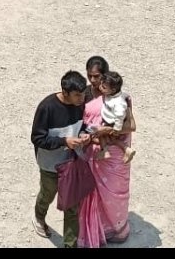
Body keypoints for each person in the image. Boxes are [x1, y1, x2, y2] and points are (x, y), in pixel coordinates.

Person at [78, 59, 135, 248]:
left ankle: (116, 229)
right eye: (90, 76)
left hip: (114, 156)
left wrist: (106, 131)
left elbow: (131, 125)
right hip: (92, 149)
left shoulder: (120, 98)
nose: (93, 80)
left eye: (98, 76)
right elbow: (79, 124)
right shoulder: (84, 94)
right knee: (92, 193)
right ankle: (95, 228)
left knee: (115, 192)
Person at [30, 70, 89, 248]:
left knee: (72, 206)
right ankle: (39, 217)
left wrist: (84, 134)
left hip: (72, 163)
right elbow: (37, 138)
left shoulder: (80, 104)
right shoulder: (47, 108)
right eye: (77, 95)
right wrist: (64, 141)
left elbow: (83, 125)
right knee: (48, 194)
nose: (81, 99)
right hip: (50, 165)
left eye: (83, 94)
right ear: (65, 92)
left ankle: (70, 245)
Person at [90, 71, 135, 164]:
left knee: (101, 134)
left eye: (104, 87)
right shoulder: (114, 95)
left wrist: (116, 129)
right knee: (112, 139)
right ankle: (126, 149)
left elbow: (120, 116)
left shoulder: (119, 102)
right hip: (110, 121)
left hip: (112, 122)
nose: (100, 88)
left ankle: (105, 151)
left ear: (113, 90)